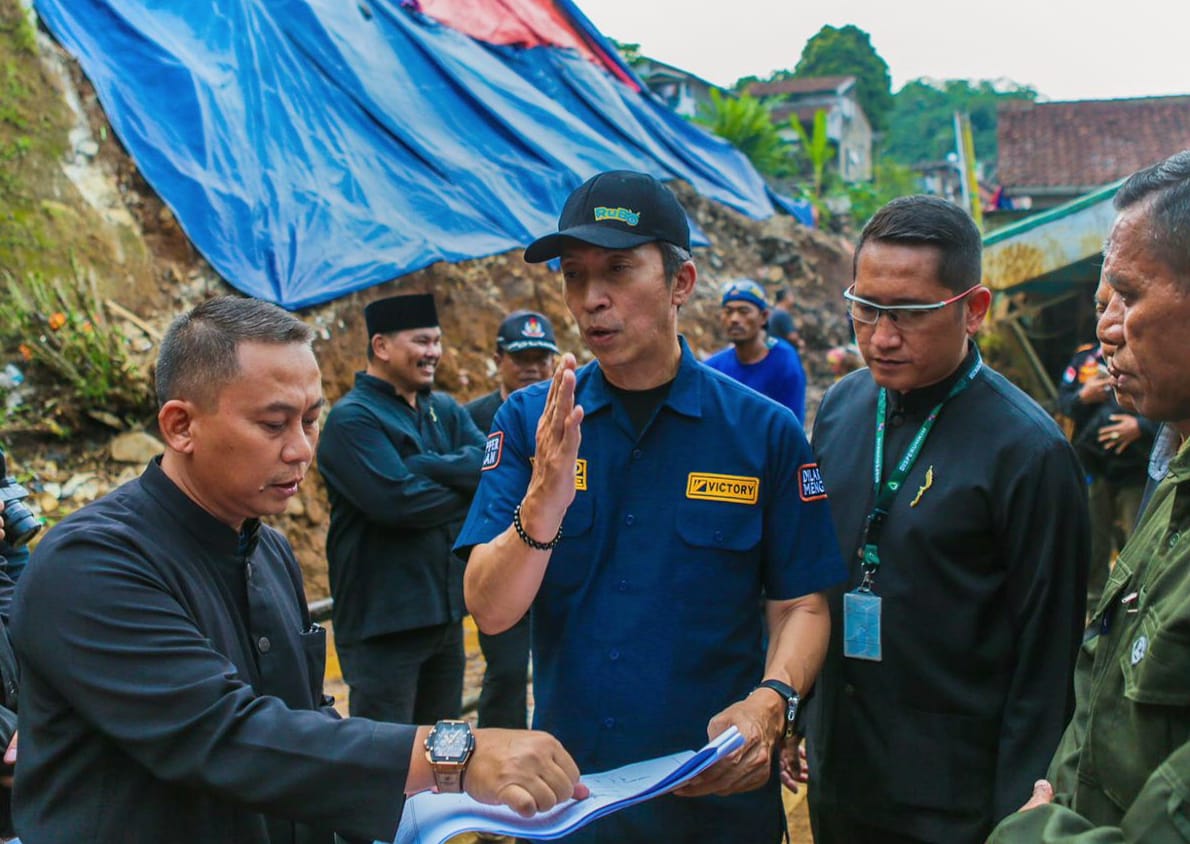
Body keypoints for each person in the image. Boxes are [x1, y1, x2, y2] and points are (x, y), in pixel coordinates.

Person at [8, 297, 585, 843]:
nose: (302, 450)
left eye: (310, 420)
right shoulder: (92, 565)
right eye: (273, 424)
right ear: (180, 425)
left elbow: (306, 713)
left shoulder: (268, 551)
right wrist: (453, 753)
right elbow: (228, 735)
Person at [457, 170, 845, 843]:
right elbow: (491, 607)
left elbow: (803, 603)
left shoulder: (762, 433)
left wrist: (771, 701)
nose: (591, 300)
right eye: (574, 275)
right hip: (573, 804)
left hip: (716, 807)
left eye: (618, 269)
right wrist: (543, 504)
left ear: (681, 283)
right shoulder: (532, 425)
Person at [806, 195, 1091, 844]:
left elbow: (1047, 664)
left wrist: (1017, 813)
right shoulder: (845, 408)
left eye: (909, 314)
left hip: (953, 800)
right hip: (842, 776)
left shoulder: (1031, 454)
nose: (880, 336)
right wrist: (806, 718)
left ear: (974, 310)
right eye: (867, 308)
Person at [989, 150, 1190, 841]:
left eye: (1129, 297)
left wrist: (1035, 834)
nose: (1107, 328)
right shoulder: (1178, 480)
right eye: (1105, 302)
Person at [317, 293, 485, 725]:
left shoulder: (442, 409)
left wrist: (424, 467)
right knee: (386, 763)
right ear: (381, 346)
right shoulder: (352, 420)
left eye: (437, 341)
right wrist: (466, 488)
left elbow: (492, 466)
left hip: (444, 616)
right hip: (385, 626)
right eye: (422, 341)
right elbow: (397, 504)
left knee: (444, 754)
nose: (433, 353)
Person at [464, 310, 558, 731]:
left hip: (558, 565)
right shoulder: (472, 418)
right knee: (505, 672)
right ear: (499, 358)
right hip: (500, 559)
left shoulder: (571, 413)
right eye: (521, 358)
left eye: (540, 357)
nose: (531, 368)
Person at [1058, 340, 1156, 608]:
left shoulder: (1148, 352)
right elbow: (1064, 402)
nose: (1108, 317)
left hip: (1136, 470)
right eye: (1101, 307)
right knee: (1093, 539)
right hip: (1094, 466)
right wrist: (1083, 396)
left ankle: (1135, 608)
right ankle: (1093, 607)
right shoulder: (1085, 360)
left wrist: (1140, 426)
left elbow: (1174, 407)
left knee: (1140, 541)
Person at [704, 279, 807, 421]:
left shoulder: (784, 361)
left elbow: (792, 425)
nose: (734, 319)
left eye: (743, 311)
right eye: (728, 311)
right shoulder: (713, 369)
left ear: (764, 317)